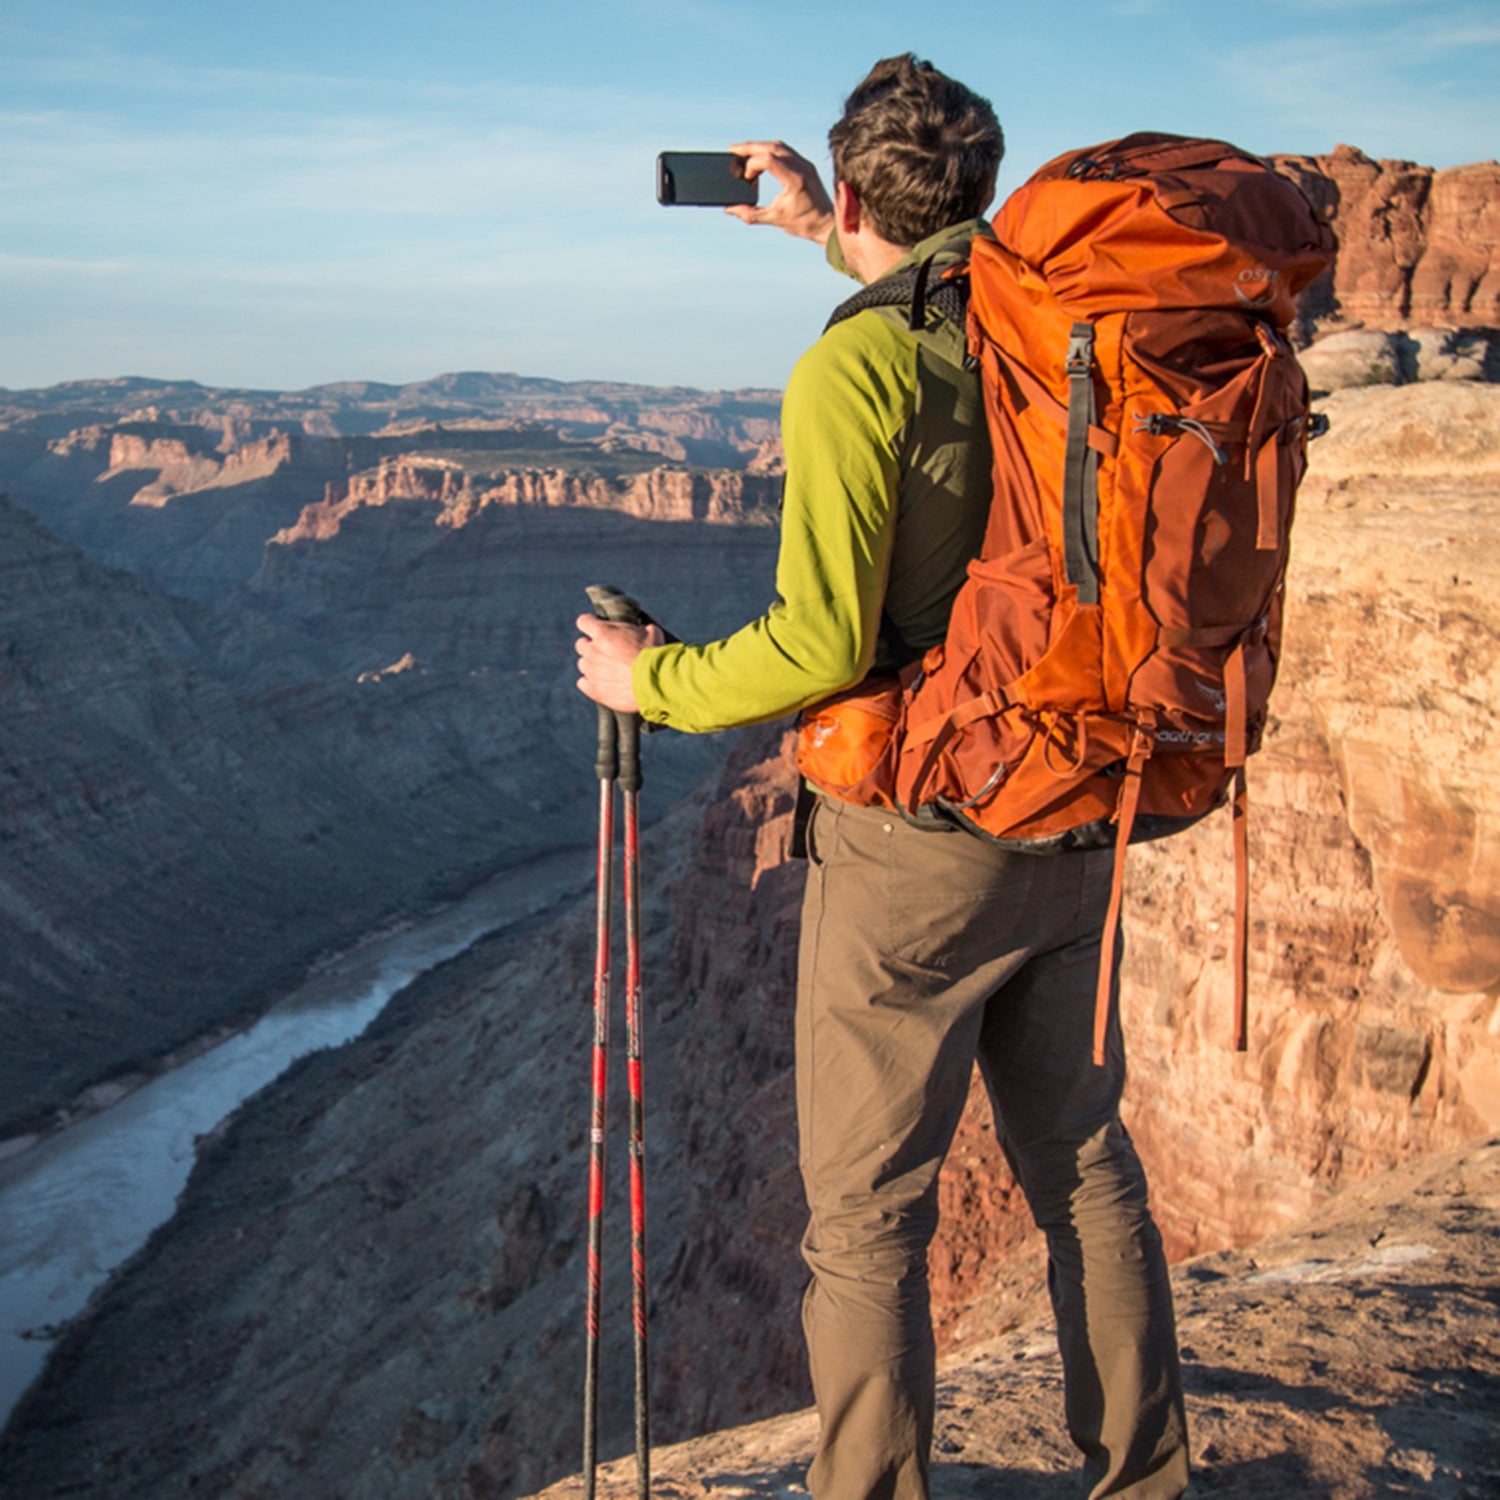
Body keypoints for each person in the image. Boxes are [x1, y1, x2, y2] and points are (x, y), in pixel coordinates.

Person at [575, 54, 1189, 1500]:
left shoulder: (855, 364)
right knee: (1085, 1171)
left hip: (921, 842)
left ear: (856, 187)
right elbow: (941, 337)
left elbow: (819, 639)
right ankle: (1147, 1480)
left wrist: (648, 684)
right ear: (977, 186)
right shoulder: (1049, 318)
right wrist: (818, 231)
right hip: (1079, 800)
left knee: (865, 1223)